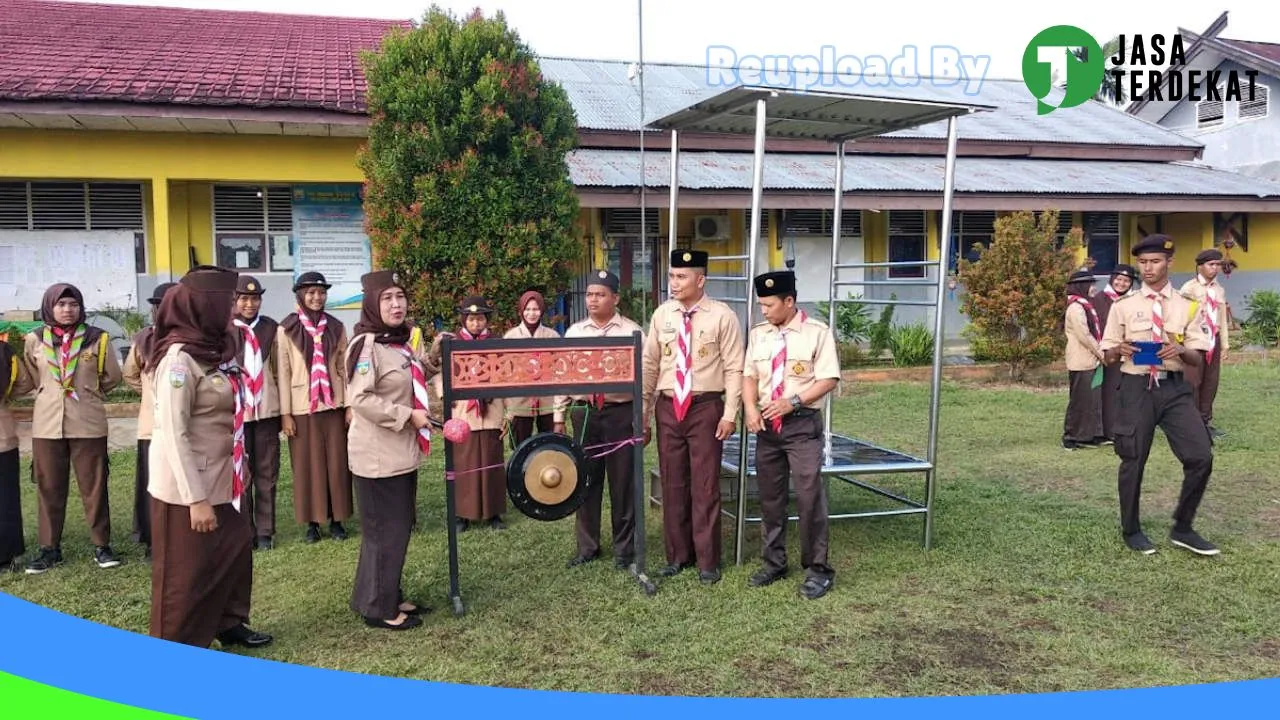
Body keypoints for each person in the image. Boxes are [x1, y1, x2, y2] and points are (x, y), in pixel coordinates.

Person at [147, 265, 272, 650]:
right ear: (203, 307)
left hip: (227, 478)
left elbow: (228, 417)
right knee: (185, 572)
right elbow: (173, 434)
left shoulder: (218, 350)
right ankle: (175, 642)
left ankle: (229, 622)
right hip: (189, 487)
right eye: (227, 300)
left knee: (234, 554)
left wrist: (241, 463)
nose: (234, 307)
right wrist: (195, 500)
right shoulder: (179, 361)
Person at [1100, 234, 1217, 556]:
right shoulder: (1123, 306)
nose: (1148, 268)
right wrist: (1118, 349)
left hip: (1175, 388)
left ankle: (1183, 527)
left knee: (1200, 456)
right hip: (1136, 387)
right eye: (1143, 262)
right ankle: (1131, 528)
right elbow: (1107, 353)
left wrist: (1181, 349)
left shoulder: (1187, 305)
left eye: (1155, 262)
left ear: (1169, 263)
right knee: (1134, 458)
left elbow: (1199, 354)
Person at [642, 249, 745, 585]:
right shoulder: (662, 315)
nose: (674, 283)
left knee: (704, 484)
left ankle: (707, 561)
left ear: (700, 279)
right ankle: (677, 555)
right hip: (669, 406)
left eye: (681, 277)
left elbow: (734, 368)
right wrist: (643, 415)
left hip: (705, 407)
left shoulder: (722, 316)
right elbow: (649, 366)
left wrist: (730, 414)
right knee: (672, 482)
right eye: (672, 276)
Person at [740, 271, 841, 600]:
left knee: (809, 496)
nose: (764, 311)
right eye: (760, 305)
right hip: (768, 426)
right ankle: (774, 562)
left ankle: (818, 570)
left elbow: (828, 379)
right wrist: (751, 409)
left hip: (801, 425)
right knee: (770, 497)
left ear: (789, 301)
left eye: (769, 305)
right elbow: (749, 375)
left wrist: (793, 401)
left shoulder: (817, 333)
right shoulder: (759, 334)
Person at [345, 270, 432, 631]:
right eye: (387, 298)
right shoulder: (366, 346)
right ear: (371, 304)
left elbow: (410, 377)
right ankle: (379, 609)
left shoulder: (397, 342)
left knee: (395, 529)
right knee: (386, 531)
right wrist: (408, 415)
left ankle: (385, 593)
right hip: (378, 456)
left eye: (400, 296)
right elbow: (360, 399)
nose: (397, 304)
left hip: (399, 452)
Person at [17, 283, 124, 574]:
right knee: (49, 487)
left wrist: (89, 393)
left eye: (73, 304)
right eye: (61, 304)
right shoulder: (35, 339)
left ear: (81, 307)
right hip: (47, 424)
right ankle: (49, 549)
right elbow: (30, 374)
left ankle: (102, 546)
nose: (68, 310)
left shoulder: (97, 339)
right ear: (50, 307)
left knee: (95, 487)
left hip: (87, 423)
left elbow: (112, 377)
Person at [554, 270, 644, 570]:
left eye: (600, 294)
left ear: (615, 298)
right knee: (586, 480)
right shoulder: (575, 333)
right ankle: (587, 546)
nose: (593, 299)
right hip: (585, 413)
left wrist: (643, 417)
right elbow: (563, 376)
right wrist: (558, 415)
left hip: (620, 413)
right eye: (590, 294)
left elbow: (645, 380)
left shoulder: (632, 333)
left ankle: (624, 550)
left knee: (623, 483)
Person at [277, 272, 353, 544]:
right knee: (307, 466)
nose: (316, 297)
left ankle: (337, 520)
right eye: (310, 292)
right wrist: (285, 414)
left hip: (333, 404)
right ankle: (312, 523)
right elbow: (283, 374)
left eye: (321, 293)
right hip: (302, 408)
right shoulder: (286, 329)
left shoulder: (337, 326)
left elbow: (345, 370)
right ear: (300, 294)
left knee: (337, 464)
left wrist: (350, 405)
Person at [429, 296, 507, 532]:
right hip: (462, 410)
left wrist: (508, 412)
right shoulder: (452, 343)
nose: (476, 323)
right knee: (464, 461)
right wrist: (446, 398)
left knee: (492, 460)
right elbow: (438, 372)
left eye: (480, 318)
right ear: (464, 319)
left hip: (492, 409)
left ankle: (493, 513)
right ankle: (462, 514)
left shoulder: (495, 343)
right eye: (471, 319)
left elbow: (505, 377)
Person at [121, 281, 177, 559]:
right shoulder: (143, 339)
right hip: (152, 427)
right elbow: (130, 374)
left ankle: (182, 537)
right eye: (161, 306)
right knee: (152, 484)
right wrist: (153, 394)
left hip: (183, 426)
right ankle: (153, 540)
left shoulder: (193, 337)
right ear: (155, 309)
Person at [231, 275, 283, 550]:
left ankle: (265, 531)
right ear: (235, 301)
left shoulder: (272, 329)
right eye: (244, 299)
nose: (250, 304)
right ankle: (244, 529)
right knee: (241, 471)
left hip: (266, 411)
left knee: (267, 471)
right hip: (236, 412)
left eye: (255, 298)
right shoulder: (224, 330)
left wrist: (284, 411)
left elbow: (279, 370)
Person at [1180, 248, 1229, 439]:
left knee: (1211, 380)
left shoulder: (1219, 289)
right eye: (1211, 264)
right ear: (1200, 266)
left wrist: (1224, 343)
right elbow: (1182, 316)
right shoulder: (1189, 288)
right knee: (1193, 380)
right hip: (1194, 339)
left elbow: (1222, 318)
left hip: (1213, 338)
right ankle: (1191, 422)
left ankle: (1205, 419)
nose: (1215, 268)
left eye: (1217, 265)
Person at [503, 290, 561, 448]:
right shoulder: (511, 337)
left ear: (541, 310)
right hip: (519, 401)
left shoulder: (551, 336)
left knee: (549, 445)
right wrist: (508, 406)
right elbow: (505, 373)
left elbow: (559, 370)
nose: (531, 314)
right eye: (527, 309)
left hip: (548, 399)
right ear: (521, 311)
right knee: (520, 448)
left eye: (535, 309)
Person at [1093, 264, 1138, 443]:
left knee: (1128, 391)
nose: (1121, 283)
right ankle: (1108, 430)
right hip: (1108, 352)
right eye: (1118, 279)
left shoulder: (1133, 301)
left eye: (1126, 280)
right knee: (1109, 392)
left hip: (1130, 352)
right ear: (1112, 279)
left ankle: (1126, 427)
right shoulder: (1099, 299)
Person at [1062, 269, 1105, 450]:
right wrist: (1102, 354)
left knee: (1092, 400)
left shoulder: (1086, 305)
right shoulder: (1076, 307)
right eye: (1091, 284)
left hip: (1091, 360)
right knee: (1080, 400)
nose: (1094, 288)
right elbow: (1084, 336)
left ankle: (1088, 435)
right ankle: (1071, 436)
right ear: (1082, 286)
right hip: (1081, 361)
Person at [1, 337, 30, 572]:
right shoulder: (4, 352)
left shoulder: (4, 352)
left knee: (5, 497)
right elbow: (23, 383)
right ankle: (5, 554)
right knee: (5, 497)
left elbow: (23, 381)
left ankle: (6, 553)